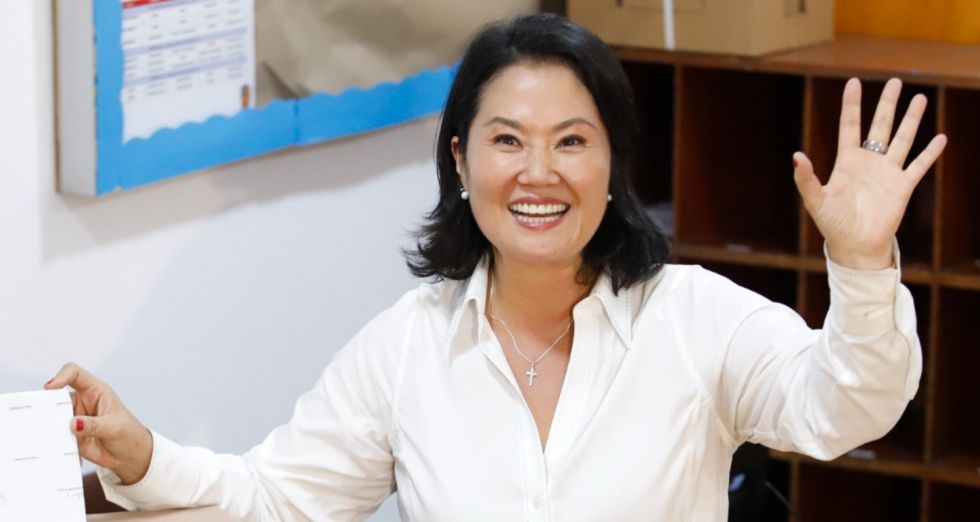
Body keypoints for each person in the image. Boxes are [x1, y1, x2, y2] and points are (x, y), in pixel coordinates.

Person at [46, 14, 946, 521]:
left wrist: (863, 263)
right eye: (507, 140)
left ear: (612, 165)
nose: (538, 172)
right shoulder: (407, 346)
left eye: (572, 141)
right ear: (462, 162)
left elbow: (846, 410)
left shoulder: (696, 318)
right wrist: (143, 454)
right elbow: (276, 497)